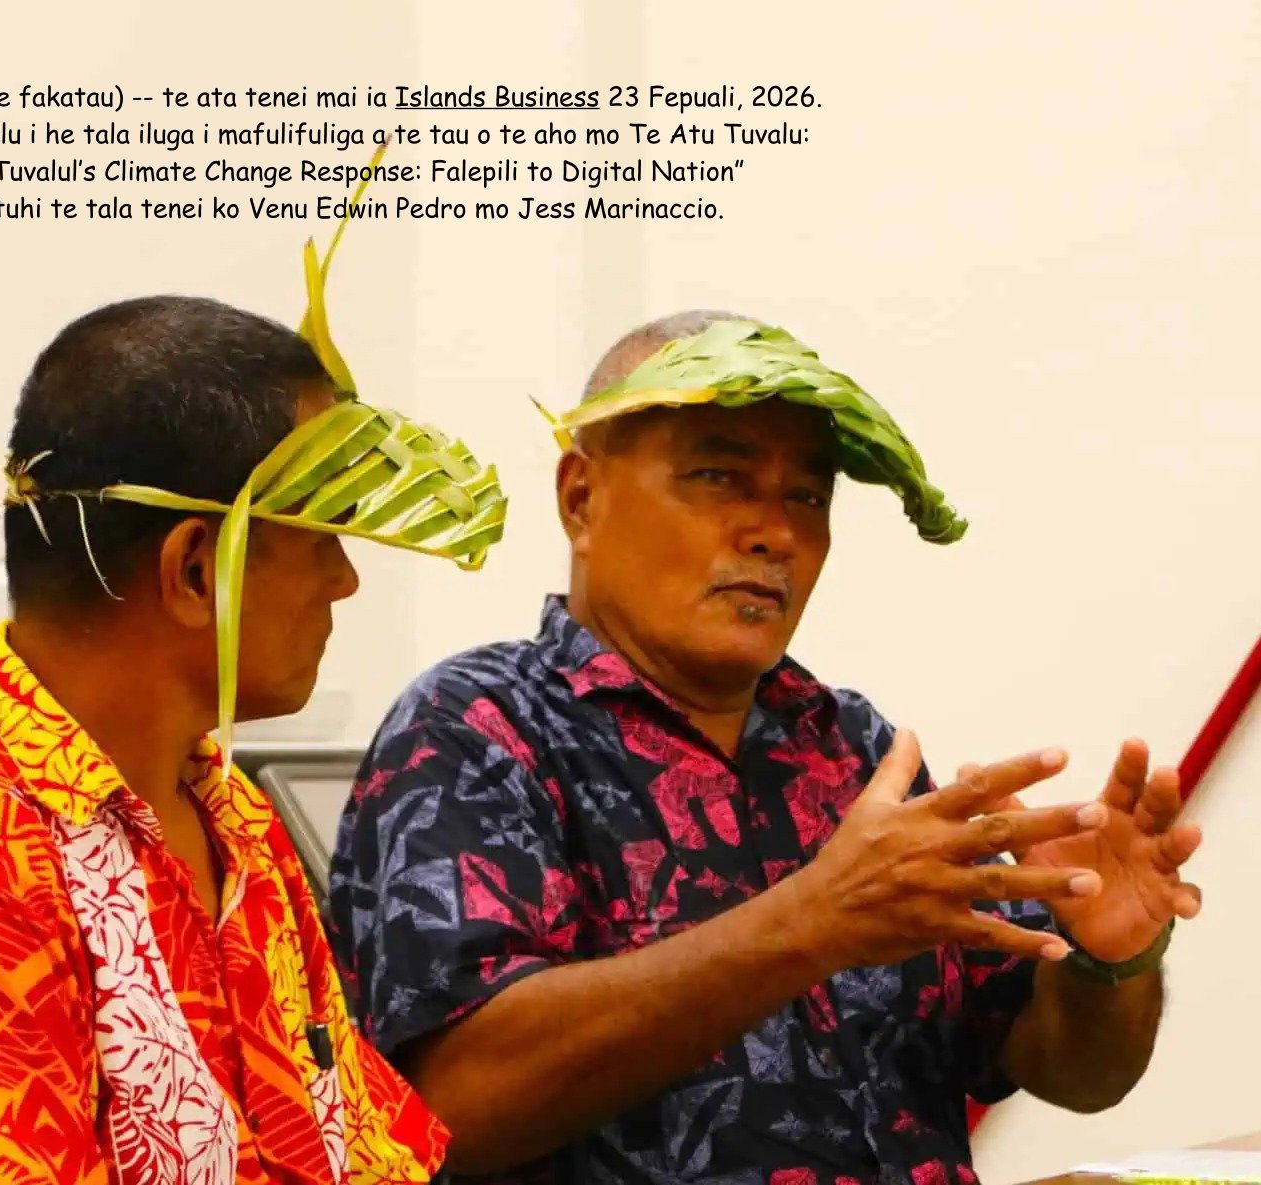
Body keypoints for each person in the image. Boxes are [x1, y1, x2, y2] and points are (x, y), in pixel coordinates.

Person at [329, 310, 1204, 1185]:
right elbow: (444, 1109)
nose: (773, 532)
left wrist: (1109, 960)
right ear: (580, 499)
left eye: (807, 497)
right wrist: (809, 923)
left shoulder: (853, 746)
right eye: (718, 476)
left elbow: (1070, 1071)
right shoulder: (476, 726)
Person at [0, 280, 505, 1184]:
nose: (345, 581)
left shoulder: (233, 821)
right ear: (195, 569)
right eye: (321, 538)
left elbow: (363, 1153)